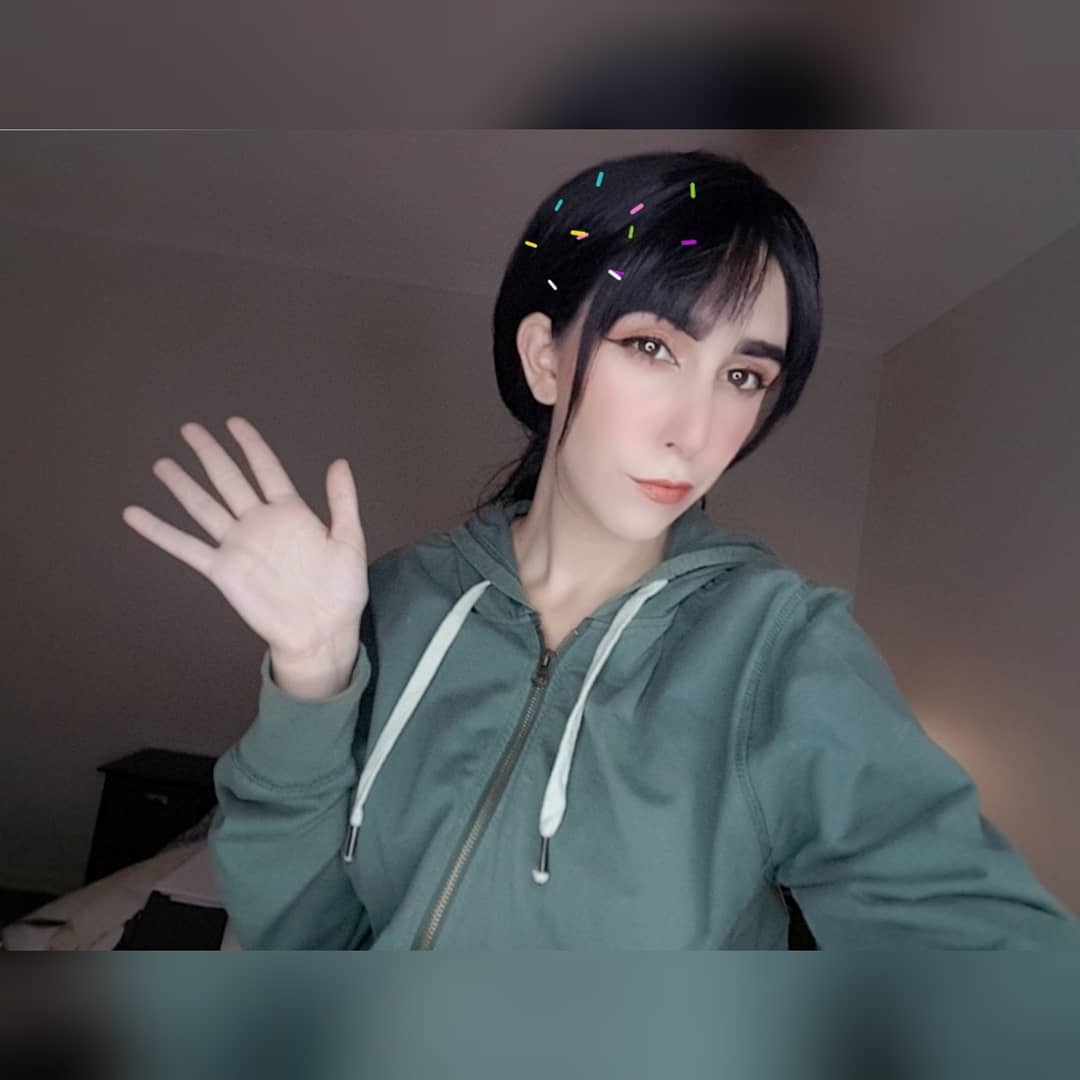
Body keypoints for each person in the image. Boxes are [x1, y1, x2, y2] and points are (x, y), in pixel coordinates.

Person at [125, 149, 1080, 948]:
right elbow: (299, 933)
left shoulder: (781, 648)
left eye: (744, 376)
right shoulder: (396, 605)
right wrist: (312, 673)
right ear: (545, 356)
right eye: (654, 347)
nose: (695, 433)